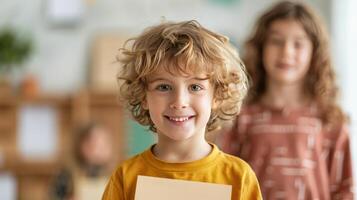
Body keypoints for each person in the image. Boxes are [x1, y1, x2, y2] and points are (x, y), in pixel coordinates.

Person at [102, 20, 262, 200]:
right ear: (143, 96)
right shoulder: (126, 177)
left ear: (217, 95)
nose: (179, 102)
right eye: (163, 87)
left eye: (195, 87)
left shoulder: (239, 177)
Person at [218, 1, 354, 199]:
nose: (286, 52)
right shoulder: (239, 117)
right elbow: (226, 181)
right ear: (260, 47)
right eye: (276, 41)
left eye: (298, 44)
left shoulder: (331, 120)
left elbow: (345, 190)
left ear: (314, 53)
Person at [50, 122, 113, 200]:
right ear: (83, 146)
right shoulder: (66, 176)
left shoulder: (114, 176)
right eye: (94, 144)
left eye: (104, 144)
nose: (100, 149)